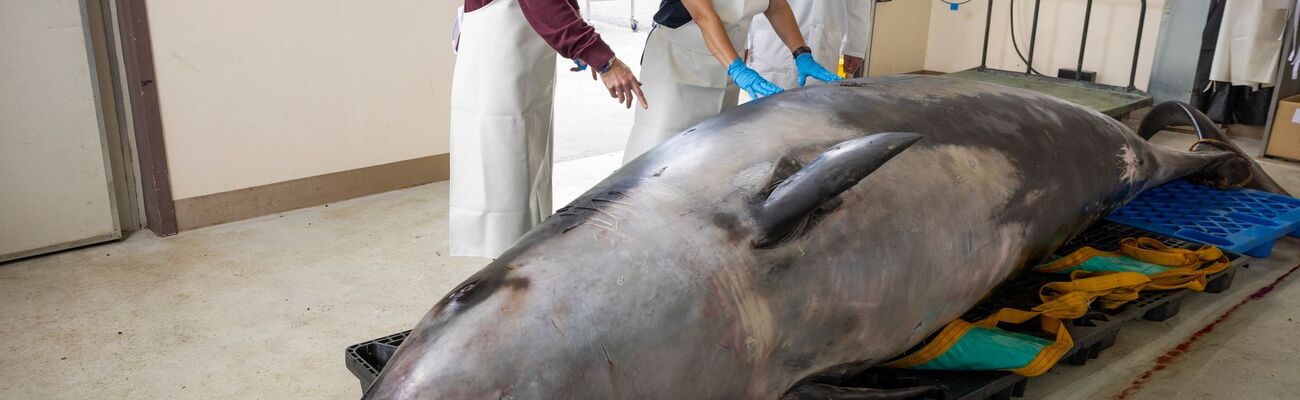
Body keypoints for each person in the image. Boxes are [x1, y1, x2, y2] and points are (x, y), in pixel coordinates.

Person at [450, 0, 648, 258]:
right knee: (503, 169)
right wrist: (602, 58)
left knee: (527, 160)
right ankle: (506, 272)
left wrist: (576, 21)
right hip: (498, 53)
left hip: (516, 50)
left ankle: (519, 261)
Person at [623, 0, 841, 163]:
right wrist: (737, 68)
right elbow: (703, 15)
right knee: (658, 153)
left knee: (708, 154)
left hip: (726, 64)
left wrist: (801, 53)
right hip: (677, 65)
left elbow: (775, 5)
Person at [747, 0, 874, 89]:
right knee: (768, 109)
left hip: (824, 34)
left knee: (818, 109)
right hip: (773, 35)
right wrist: (744, 42)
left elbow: (859, 2)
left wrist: (855, 46)